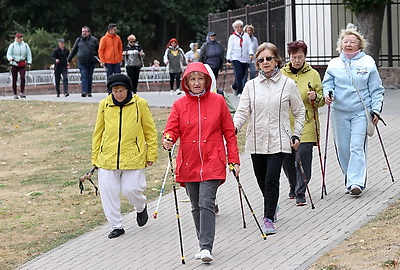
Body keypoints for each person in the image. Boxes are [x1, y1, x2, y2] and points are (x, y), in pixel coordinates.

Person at [162, 62, 240, 263]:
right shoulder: (179, 105)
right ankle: (201, 243)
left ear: (207, 80)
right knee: (196, 205)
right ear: (186, 82)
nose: (196, 83)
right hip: (189, 162)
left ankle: (206, 247)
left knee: (207, 202)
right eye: (192, 79)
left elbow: (229, 134)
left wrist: (234, 160)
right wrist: (168, 138)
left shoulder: (218, 101)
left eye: (200, 78)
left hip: (213, 160)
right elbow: (171, 129)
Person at [233, 42, 305, 235]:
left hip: (279, 140)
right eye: (261, 59)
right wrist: (234, 127)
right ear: (257, 63)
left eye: (269, 58)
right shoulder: (250, 86)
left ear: (276, 60)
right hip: (256, 140)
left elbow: (299, 113)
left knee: (272, 179)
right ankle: (272, 206)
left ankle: (268, 217)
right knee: (261, 179)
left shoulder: (288, 84)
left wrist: (296, 133)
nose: (265, 62)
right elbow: (242, 112)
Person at [92, 73, 158, 239]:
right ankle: (117, 226)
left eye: (121, 90)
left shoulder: (140, 104)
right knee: (108, 192)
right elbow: (98, 132)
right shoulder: (104, 105)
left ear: (128, 90)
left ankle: (141, 207)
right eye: (115, 91)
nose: (118, 94)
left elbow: (149, 130)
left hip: (133, 155)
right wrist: (95, 158)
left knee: (132, 190)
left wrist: (151, 153)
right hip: (107, 156)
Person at [322, 25, 384, 196]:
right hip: (339, 112)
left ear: (359, 45)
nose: (348, 44)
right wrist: (328, 94)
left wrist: (376, 110)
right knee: (343, 148)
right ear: (341, 44)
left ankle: (357, 183)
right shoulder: (334, 64)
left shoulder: (368, 62)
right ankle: (350, 178)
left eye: (352, 42)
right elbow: (327, 84)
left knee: (357, 146)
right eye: (345, 41)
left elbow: (376, 89)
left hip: (360, 112)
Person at [281, 40, 324, 206]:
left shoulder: (313, 74)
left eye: (299, 57)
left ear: (305, 56)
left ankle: (300, 191)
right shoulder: (282, 74)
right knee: (287, 158)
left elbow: (320, 100)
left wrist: (316, 97)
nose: (296, 60)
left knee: (303, 155)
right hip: (286, 122)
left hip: (306, 122)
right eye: (293, 57)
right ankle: (293, 184)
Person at [67, 26, 99, 97]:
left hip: (91, 62)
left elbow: (99, 50)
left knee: (89, 76)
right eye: (83, 32)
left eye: (85, 32)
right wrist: (68, 60)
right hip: (82, 62)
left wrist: (99, 59)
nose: (84, 33)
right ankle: (84, 91)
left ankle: (89, 91)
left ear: (88, 32)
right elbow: (74, 50)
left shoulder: (94, 40)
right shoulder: (79, 40)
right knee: (84, 75)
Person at [226, 20, 254, 96]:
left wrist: (251, 53)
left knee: (243, 74)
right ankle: (240, 91)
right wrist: (228, 59)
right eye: (237, 27)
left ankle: (235, 86)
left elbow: (249, 45)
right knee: (238, 74)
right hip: (236, 57)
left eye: (241, 27)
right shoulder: (232, 37)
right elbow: (230, 48)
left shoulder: (246, 36)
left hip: (245, 58)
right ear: (235, 28)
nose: (239, 28)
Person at [6, 33, 32, 99]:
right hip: (14, 63)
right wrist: (10, 58)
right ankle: (15, 93)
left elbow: (29, 54)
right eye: (18, 38)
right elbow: (8, 54)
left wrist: (29, 63)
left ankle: (22, 92)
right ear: (16, 38)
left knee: (23, 77)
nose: (20, 39)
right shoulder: (12, 45)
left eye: (20, 37)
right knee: (14, 79)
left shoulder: (25, 45)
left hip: (22, 63)